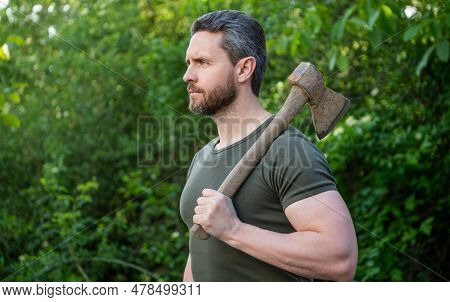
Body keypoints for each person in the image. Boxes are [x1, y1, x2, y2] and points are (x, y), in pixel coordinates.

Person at [179, 10, 358, 281]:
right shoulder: (203, 156)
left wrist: (233, 230)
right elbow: (201, 251)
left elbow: (340, 258)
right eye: (189, 63)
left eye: (202, 63)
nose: (188, 75)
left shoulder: (289, 151)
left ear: (243, 69)